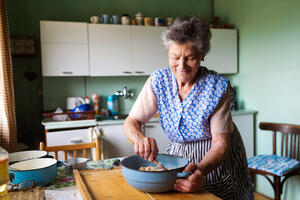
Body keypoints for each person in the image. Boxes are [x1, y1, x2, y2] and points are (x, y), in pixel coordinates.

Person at [124, 16, 253, 200]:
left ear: (202, 55)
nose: (181, 66)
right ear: (168, 52)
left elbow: (220, 144)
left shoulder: (217, 86)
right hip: (178, 159)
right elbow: (131, 121)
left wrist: (200, 170)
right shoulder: (158, 80)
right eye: (175, 57)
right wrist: (139, 138)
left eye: (190, 58)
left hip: (215, 161)